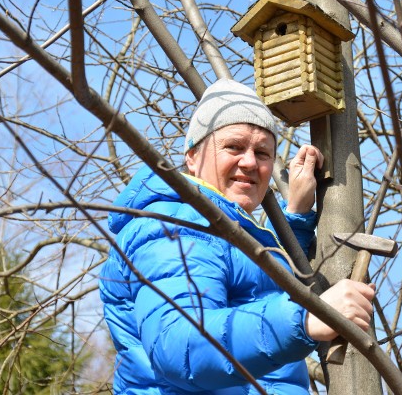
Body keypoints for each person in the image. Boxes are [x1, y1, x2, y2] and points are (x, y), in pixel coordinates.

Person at [99, 79, 375, 394]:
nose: (249, 162)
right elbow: (180, 345)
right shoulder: (173, 225)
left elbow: (255, 287)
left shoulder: (217, 231)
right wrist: (304, 319)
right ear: (192, 155)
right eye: (234, 146)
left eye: (262, 153)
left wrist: (296, 216)